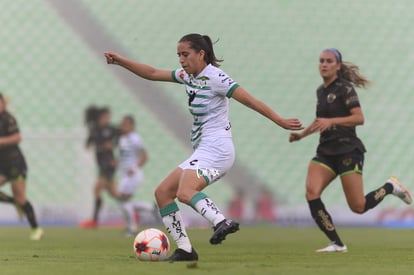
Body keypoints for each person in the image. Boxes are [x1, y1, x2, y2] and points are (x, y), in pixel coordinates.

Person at [104, 33, 303, 261]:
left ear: (201, 54)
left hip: (217, 148)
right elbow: (151, 73)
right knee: (163, 193)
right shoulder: (188, 76)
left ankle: (221, 221)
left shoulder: (216, 77)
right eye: (179, 55)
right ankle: (186, 249)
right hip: (204, 150)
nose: (181, 60)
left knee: (185, 192)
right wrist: (121, 61)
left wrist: (279, 120)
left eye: (185, 54)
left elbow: (250, 100)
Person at [289, 48, 412, 252]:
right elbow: (320, 121)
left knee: (358, 207)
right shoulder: (321, 91)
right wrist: (301, 135)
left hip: (348, 150)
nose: (324, 64)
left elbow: (358, 118)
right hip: (326, 152)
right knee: (311, 192)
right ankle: (337, 243)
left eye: (329, 61)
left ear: (338, 65)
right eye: (321, 61)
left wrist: (332, 121)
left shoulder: (345, 89)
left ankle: (390, 187)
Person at [0, 93, 44, 240]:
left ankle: (36, 229)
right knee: (17, 200)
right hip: (1, 164)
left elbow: (17, 137)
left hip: (15, 164)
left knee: (21, 198)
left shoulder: (8, 118)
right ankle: (14, 203)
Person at [80, 106, 120, 228]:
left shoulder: (112, 129)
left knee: (97, 190)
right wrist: (99, 145)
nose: (108, 119)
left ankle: (94, 221)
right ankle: (143, 209)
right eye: (106, 116)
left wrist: (112, 145)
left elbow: (121, 140)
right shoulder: (95, 129)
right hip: (102, 164)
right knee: (114, 194)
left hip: (108, 165)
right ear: (100, 117)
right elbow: (88, 144)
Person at [117, 115, 156, 236]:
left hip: (133, 175)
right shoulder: (122, 138)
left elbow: (144, 157)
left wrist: (134, 167)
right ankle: (150, 207)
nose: (122, 126)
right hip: (124, 175)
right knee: (122, 200)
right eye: (122, 124)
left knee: (123, 199)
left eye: (125, 124)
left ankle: (132, 228)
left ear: (131, 125)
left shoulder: (135, 138)